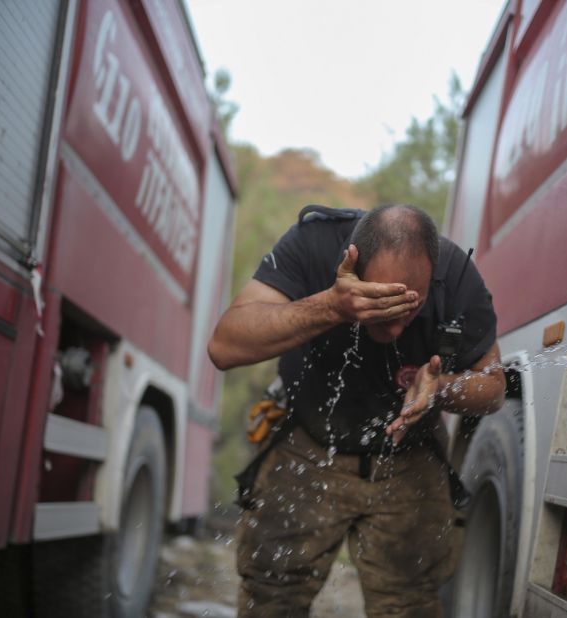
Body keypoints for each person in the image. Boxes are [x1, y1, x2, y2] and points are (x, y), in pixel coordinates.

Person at [208, 203, 505, 617]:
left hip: (409, 459)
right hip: (309, 444)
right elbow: (224, 345)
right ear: (352, 263)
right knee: (272, 595)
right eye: (381, 309)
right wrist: (332, 306)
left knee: (410, 603)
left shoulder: (455, 274)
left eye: (409, 311)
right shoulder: (313, 245)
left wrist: (442, 389)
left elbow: (493, 386)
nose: (396, 329)